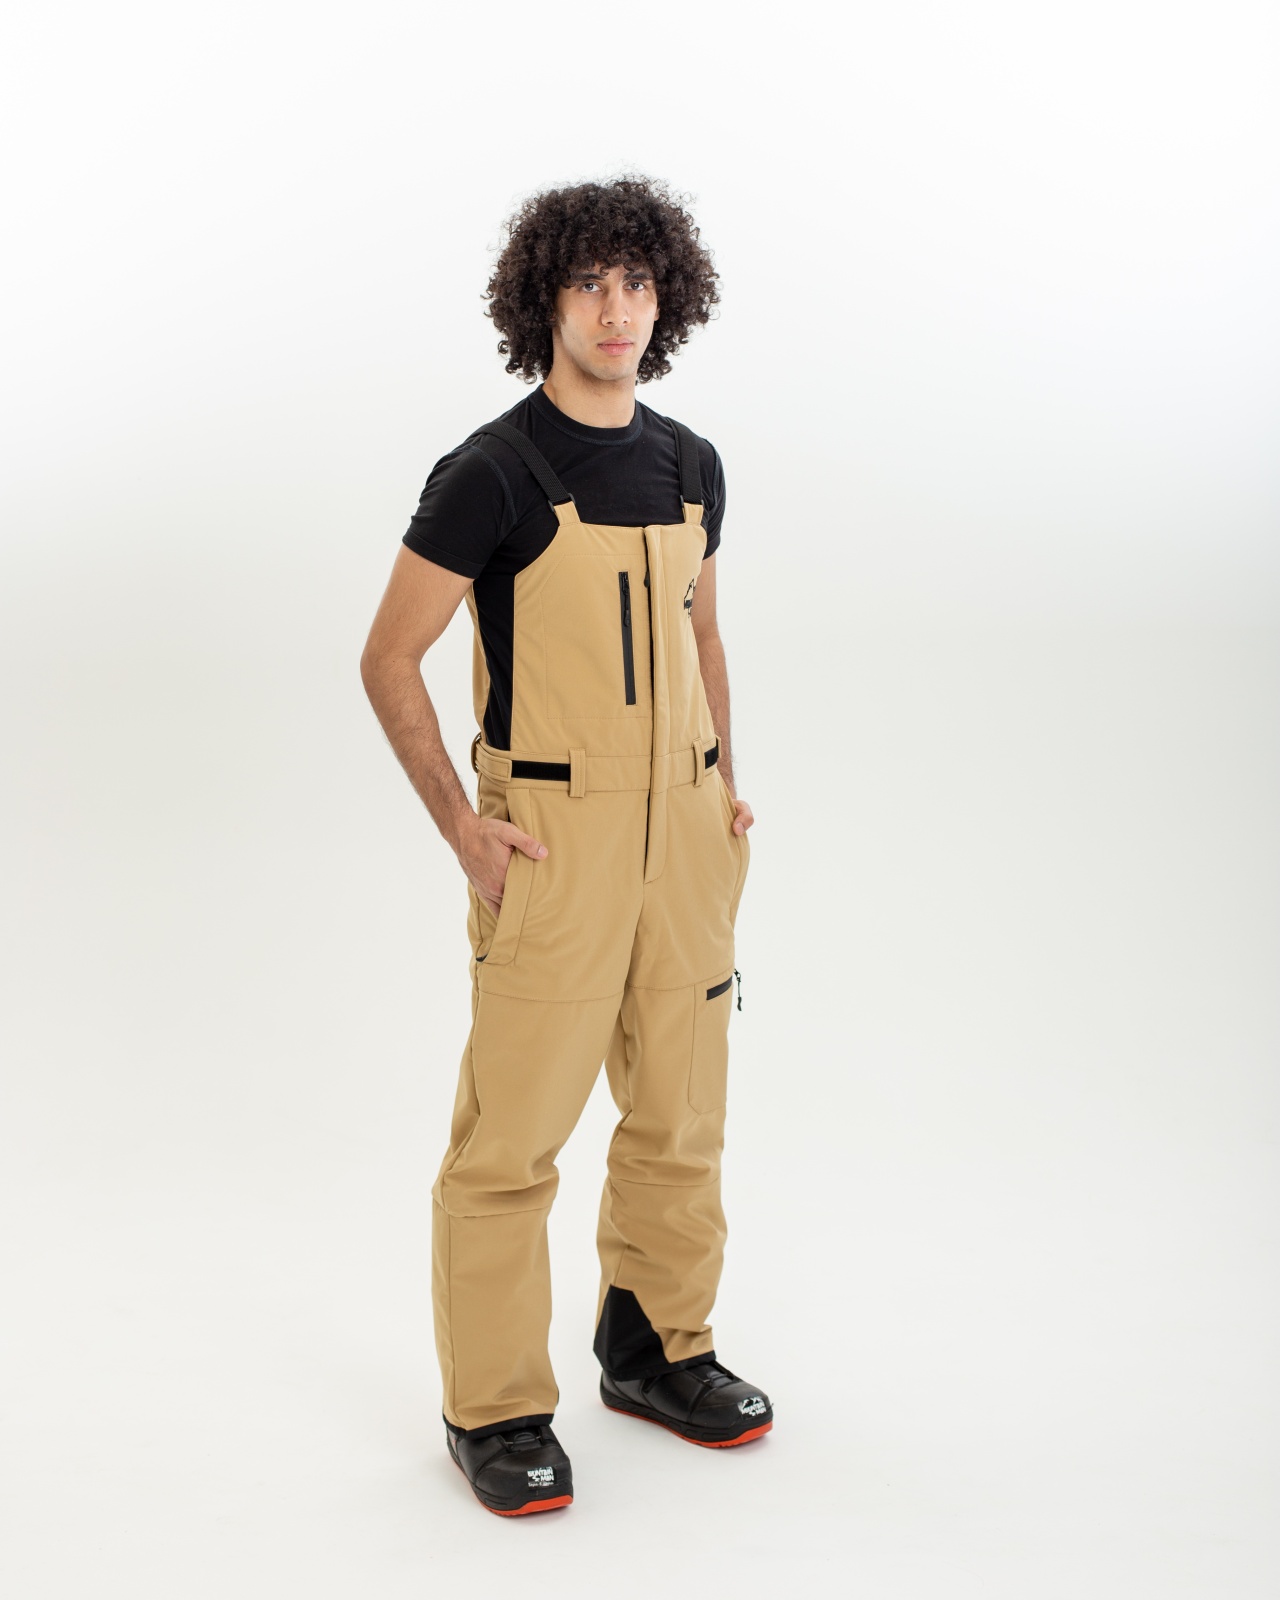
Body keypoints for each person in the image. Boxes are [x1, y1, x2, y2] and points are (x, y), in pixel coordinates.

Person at [360, 175, 772, 1518]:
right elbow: (389, 658)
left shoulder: (694, 465)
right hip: (550, 847)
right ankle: (494, 1410)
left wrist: (727, 792)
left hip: (686, 840)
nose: (615, 310)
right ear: (542, 300)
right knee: (511, 1145)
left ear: (668, 299)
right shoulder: (489, 472)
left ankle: (656, 1351)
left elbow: (704, 635)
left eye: (636, 283)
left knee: (682, 1117)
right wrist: (462, 830)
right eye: (589, 282)